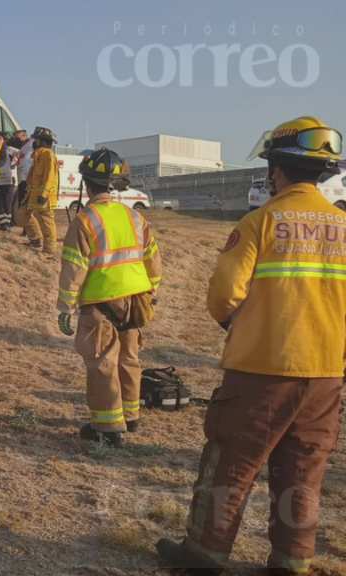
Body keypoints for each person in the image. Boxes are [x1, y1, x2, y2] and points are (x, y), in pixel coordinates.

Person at [156, 117, 345, 575]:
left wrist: (238, 327)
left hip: (261, 370)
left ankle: (206, 551)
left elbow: (223, 294)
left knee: (231, 464)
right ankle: (292, 560)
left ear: (275, 170)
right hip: (326, 375)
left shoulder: (260, 222)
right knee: (303, 472)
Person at [56, 148, 161, 447]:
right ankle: (130, 416)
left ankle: (107, 428)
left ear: (87, 184)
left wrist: (65, 306)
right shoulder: (135, 217)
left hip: (100, 303)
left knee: (102, 361)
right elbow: (153, 259)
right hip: (135, 300)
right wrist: (150, 291)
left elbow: (74, 267)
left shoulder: (85, 220)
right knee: (129, 357)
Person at [24, 126, 60, 252]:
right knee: (22, 214)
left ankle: (50, 250)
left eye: (36, 140)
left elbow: (49, 177)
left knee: (46, 221)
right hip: (33, 194)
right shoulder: (38, 156)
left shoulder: (48, 155)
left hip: (45, 196)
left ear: (43, 141)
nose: (34, 142)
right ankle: (36, 239)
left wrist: (44, 194)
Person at [0, 131, 20, 228]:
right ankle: (3, 221)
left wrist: (15, 162)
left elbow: (20, 153)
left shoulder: (9, 149)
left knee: (7, 201)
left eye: (0, 139)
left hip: (8, 179)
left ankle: (7, 222)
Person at [12, 129, 34, 232]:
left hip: (29, 180)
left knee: (28, 207)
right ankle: (26, 229)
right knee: (22, 206)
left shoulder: (31, 145)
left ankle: (29, 229)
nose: (17, 140)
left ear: (25, 136)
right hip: (21, 180)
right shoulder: (22, 149)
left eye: (19, 138)